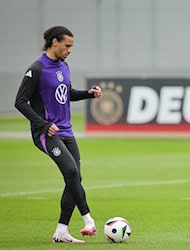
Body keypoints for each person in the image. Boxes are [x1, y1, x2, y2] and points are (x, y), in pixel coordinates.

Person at [15, 26, 102, 244]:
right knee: (71, 171)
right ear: (55, 42)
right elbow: (20, 102)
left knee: (75, 178)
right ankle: (88, 219)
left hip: (67, 131)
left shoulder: (63, 66)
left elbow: (67, 94)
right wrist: (43, 125)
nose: (70, 50)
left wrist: (88, 94)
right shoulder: (37, 68)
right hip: (46, 133)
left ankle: (62, 231)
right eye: (67, 45)